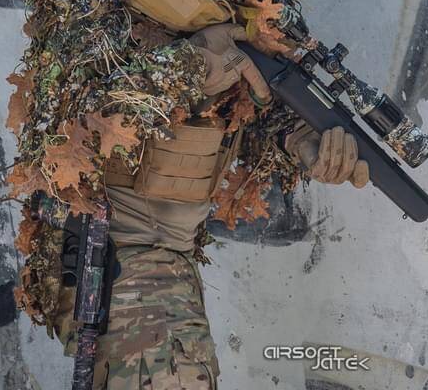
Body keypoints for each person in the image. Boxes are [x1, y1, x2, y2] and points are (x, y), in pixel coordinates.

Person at [52, 23, 370, 390]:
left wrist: (297, 137)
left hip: (166, 267)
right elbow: (66, 111)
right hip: (121, 263)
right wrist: (188, 66)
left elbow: (238, 112)